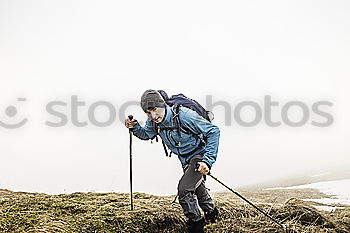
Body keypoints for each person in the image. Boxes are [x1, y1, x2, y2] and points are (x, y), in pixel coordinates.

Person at [124, 90, 220, 233]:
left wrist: (207, 161)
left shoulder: (184, 115)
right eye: (148, 113)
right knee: (198, 188)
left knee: (185, 190)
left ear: (162, 105)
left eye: (155, 110)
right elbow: (147, 134)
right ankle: (212, 215)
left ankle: (196, 224)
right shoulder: (154, 121)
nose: (153, 116)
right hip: (184, 159)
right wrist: (135, 127)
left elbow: (213, 131)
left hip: (198, 155)